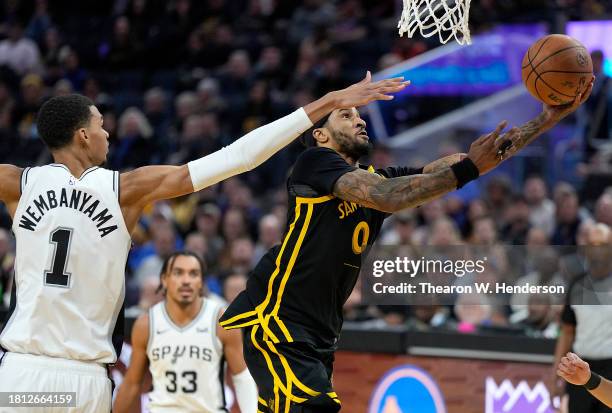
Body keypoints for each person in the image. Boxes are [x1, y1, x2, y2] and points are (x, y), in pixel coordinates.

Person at [0, 72, 406, 412]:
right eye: (102, 124)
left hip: (19, 371)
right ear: (84, 136)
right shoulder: (125, 188)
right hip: (83, 376)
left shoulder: (16, 183)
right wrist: (327, 101)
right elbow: (236, 157)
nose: (108, 132)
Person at [220, 79, 594, 412]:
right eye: (347, 116)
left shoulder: (375, 177)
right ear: (320, 134)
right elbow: (389, 197)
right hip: (279, 321)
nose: (360, 120)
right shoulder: (315, 163)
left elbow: (465, 162)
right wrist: (468, 170)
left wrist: (544, 120)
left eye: (359, 115)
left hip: (317, 329)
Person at [113, 252, 257, 412]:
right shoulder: (147, 324)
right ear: (164, 280)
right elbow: (132, 383)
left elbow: (242, 378)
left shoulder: (220, 320)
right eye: (178, 273)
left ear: (201, 282)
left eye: (193, 274)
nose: (186, 280)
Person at [551, 223, 612, 413]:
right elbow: (567, 332)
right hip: (580, 366)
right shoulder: (577, 286)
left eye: (602, 244)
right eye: (592, 244)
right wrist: (556, 376)